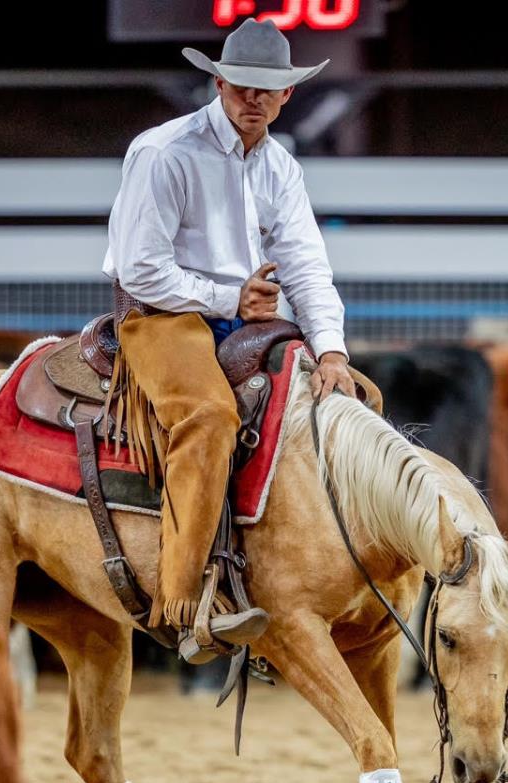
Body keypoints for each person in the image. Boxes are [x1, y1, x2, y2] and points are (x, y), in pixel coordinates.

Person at [103, 17, 354, 662]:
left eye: (267, 89)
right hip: (159, 315)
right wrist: (229, 300)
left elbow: (306, 263)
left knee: (353, 403)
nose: (253, 98)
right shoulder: (164, 152)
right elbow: (140, 268)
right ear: (219, 83)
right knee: (210, 419)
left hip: (245, 316)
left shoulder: (281, 167)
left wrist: (331, 348)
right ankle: (186, 605)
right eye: (241, 85)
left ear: (287, 94)